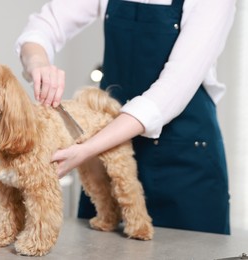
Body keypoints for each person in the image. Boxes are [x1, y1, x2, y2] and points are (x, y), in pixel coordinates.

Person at [15, 0, 236, 235]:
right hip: (109, 153)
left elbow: (172, 90)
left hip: (184, 163)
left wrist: (86, 149)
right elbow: (45, 25)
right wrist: (38, 63)